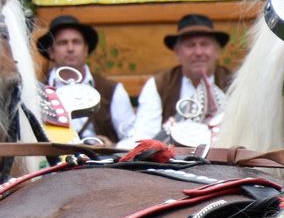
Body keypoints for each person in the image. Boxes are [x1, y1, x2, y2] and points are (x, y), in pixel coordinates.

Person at [132, 14, 233, 143]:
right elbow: (145, 136)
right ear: (177, 52)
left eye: (205, 44)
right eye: (190, 45)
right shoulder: (158, 85)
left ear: (217, 50)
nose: (198, 52)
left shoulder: (234, 83)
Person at [34, 13, 134, 141]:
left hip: (103, 159)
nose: (70, 49)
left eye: (76, 42)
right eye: (62, 43)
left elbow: (131, 137)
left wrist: (113, 147)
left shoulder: (112, 90)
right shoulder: (38, 92)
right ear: (51, 52)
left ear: (86, 49)